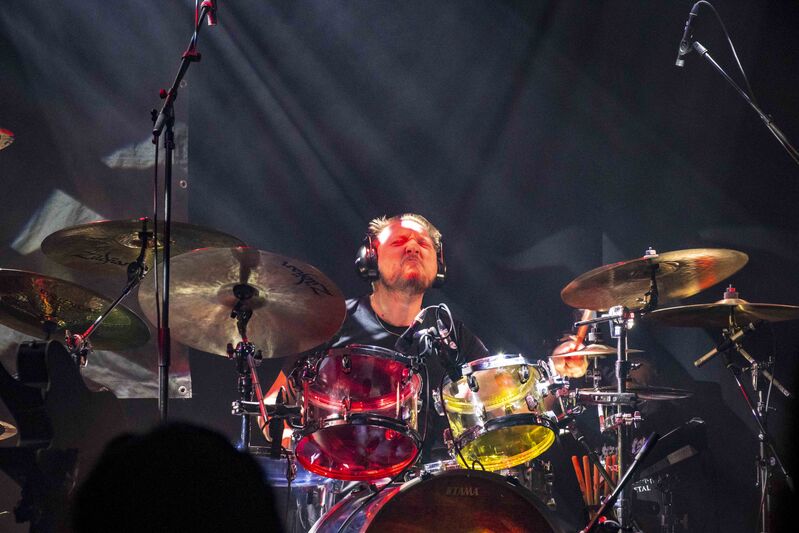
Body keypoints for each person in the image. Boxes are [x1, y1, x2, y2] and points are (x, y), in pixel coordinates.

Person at [333, 213, 490, 463]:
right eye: (399, 242)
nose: (413, 247)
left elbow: (504, 396)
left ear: (439, 266)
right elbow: (283, 400)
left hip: (433, 482)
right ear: (370, 258)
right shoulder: (332, 321)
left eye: (423, 243)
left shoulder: (454, 336)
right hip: (346, 474)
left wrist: (553, 379)